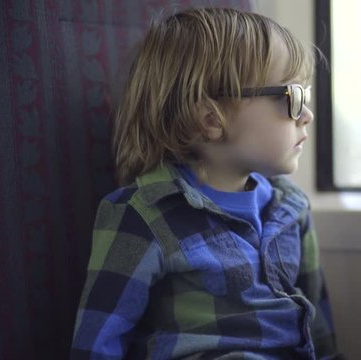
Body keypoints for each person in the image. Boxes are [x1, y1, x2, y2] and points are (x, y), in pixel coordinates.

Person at [70, 7, 339, 360]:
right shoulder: (143, 214)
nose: (307, 114)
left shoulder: (291, 206)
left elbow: (317, 323)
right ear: (212, 119)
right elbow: (98, 341)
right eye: (291, 98)